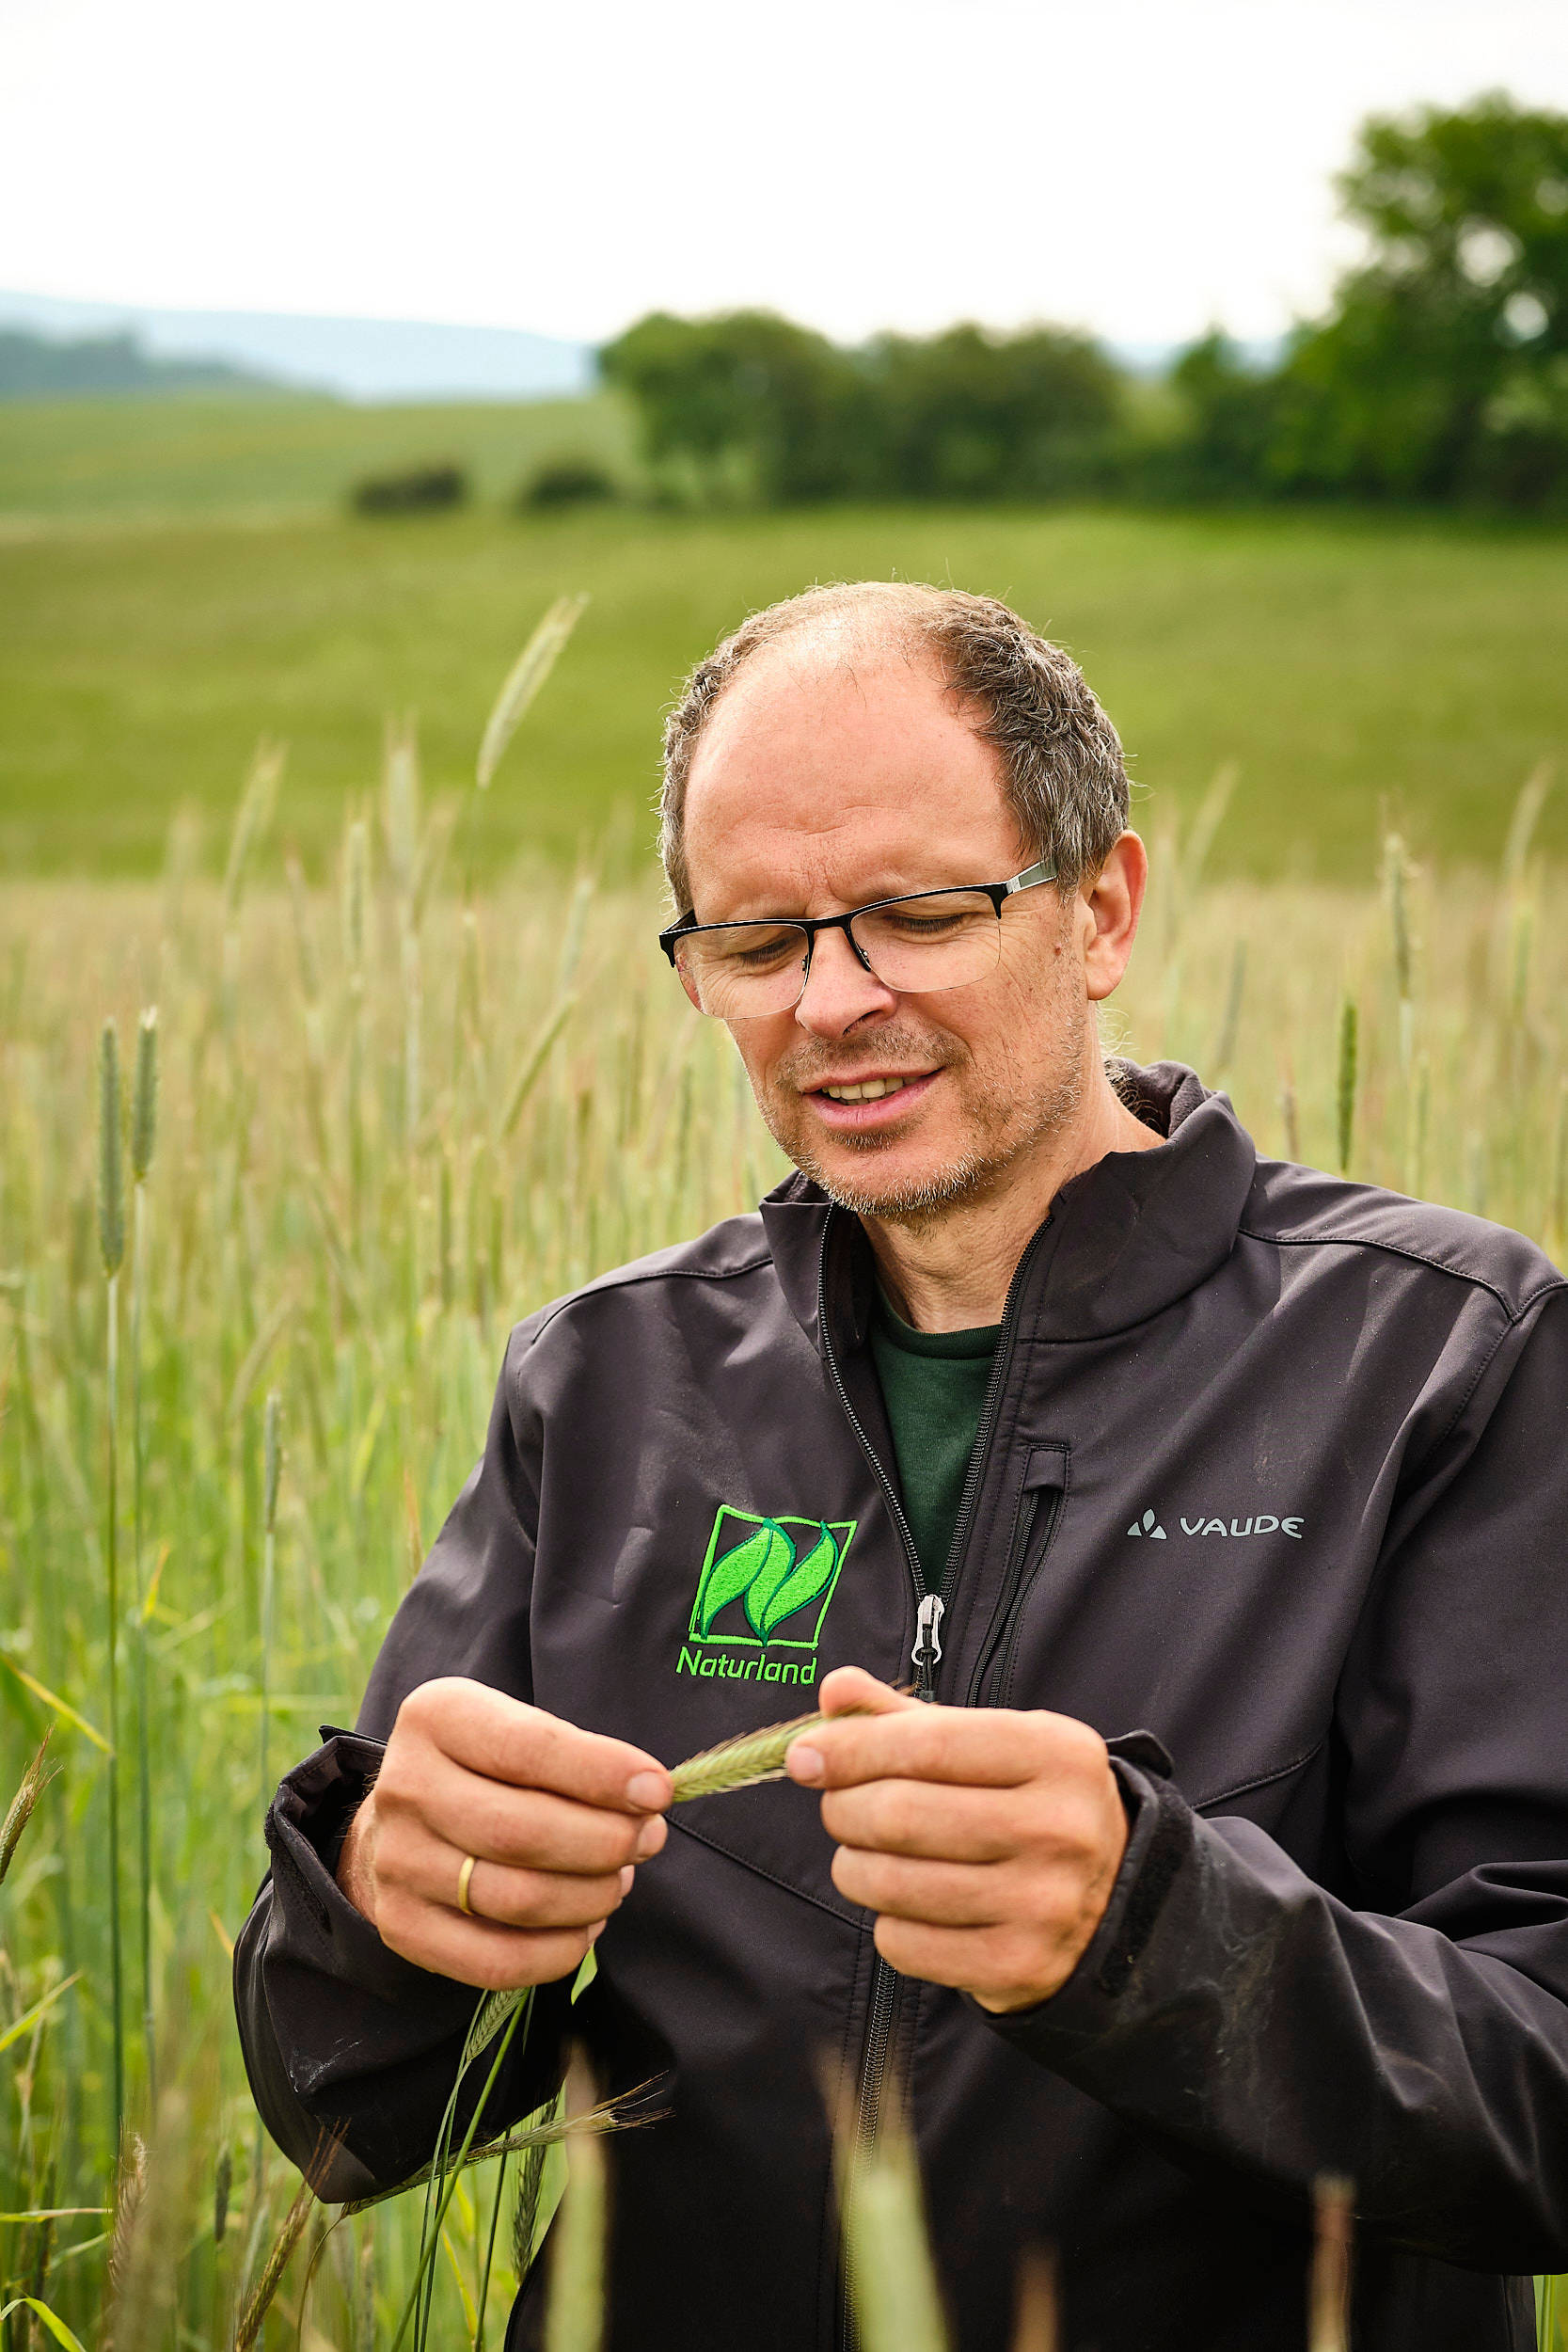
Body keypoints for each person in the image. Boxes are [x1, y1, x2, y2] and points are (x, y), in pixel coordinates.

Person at [235, 582, 1568, 2351]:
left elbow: (1543, 2102)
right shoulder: (610, 1382)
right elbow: (349, 2119)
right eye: (757, 941)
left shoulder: (1438, 1359)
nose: (831, 1002)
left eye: (916, 913)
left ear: (1101, 907)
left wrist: (1150, 1930)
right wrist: (385, 1919)